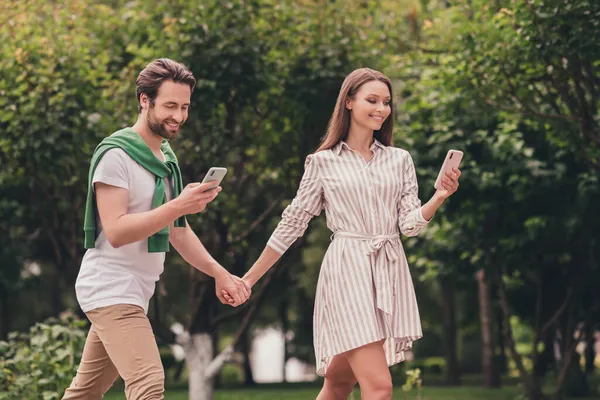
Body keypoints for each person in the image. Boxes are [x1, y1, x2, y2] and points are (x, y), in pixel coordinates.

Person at [223, 68, 461, 400]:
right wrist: (248, 279)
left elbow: (408, 225)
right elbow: (291, 225)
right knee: (379, 388)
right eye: (372, 100)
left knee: (337, 385)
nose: (381, 109)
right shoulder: (322, 163)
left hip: (388, 271)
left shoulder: (399, 160)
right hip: (347, 273)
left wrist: (439, 196)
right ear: (349, 102)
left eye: (386, 102)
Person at [62, 58, 250, 400]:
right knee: (148, 384)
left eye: (184, 107)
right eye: (169, 106)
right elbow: (116, 231)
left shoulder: (166, 160)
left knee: (84, 394)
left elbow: (178, 232)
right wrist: (178, 205)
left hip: (137, 289)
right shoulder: (117, 156)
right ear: (144, 100)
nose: (178, 116)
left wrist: (219, 273)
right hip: (109, 287)